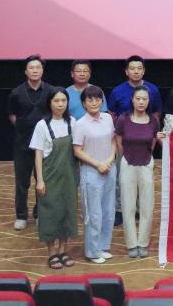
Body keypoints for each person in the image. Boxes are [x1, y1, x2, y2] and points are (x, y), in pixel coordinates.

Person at [107, 55, 160, 227]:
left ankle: (138, 209)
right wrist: (120, 148)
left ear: (143, 71)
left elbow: (156, 116)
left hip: (144, 144)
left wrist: (150, 146)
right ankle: (120, 210)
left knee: (143, 180)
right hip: (124, 142)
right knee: (121, 179)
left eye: (139, 68)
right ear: (126, 71)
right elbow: (112, 116)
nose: (136, 71)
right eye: (132, 68)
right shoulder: (117, 91)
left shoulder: (153, 89)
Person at [7, 54, 57, 230]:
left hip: (45, 146)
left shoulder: (51, 91)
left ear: (42, 70)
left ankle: (39, 214)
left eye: (38, 67)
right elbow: (12, 116)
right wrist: (25, 128)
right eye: (31, 68)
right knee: (22, 182)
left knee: (42, 180)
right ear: (26, 71)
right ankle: (21, 215)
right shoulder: (16, 93)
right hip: (23, 144)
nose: (35, 70)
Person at [30, 90, 78, 269]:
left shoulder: (72, 122)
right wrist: (40, 180)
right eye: (56, 100)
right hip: (49, 174)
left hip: (69, 175)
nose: (60, 104)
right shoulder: (42, 125)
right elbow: (38, 154)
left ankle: (63, 250)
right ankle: (51, 252)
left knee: (67, 211)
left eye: (63, 100)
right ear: (49, 103)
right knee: (49, 213)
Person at [72, 85, 116, 264]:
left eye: (98, 99)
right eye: (90, 100)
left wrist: (110, 160)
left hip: (109, 168)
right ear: (83, 103)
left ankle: (103, 247)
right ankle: (92, 251)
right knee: (93, 213)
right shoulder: (80, 124)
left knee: (108, 210)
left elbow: (113, 141)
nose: (94, 102)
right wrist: (98, 164)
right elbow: (77, 151)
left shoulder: (108, 118)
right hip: (91, 171)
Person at [115, 86, 160, 258]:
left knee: (147, 205)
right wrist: (126, 157)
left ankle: (143, 243)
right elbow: (119, 141)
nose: (141, 102)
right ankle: (132, 244)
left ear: (149, 101)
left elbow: (153, 142)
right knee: (128, 205)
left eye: (144, 99)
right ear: (132, 100)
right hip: (127, 163)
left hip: (146, 163)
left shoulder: (153, 121)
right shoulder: (123, 119)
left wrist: (146, 157)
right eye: (138, 98)